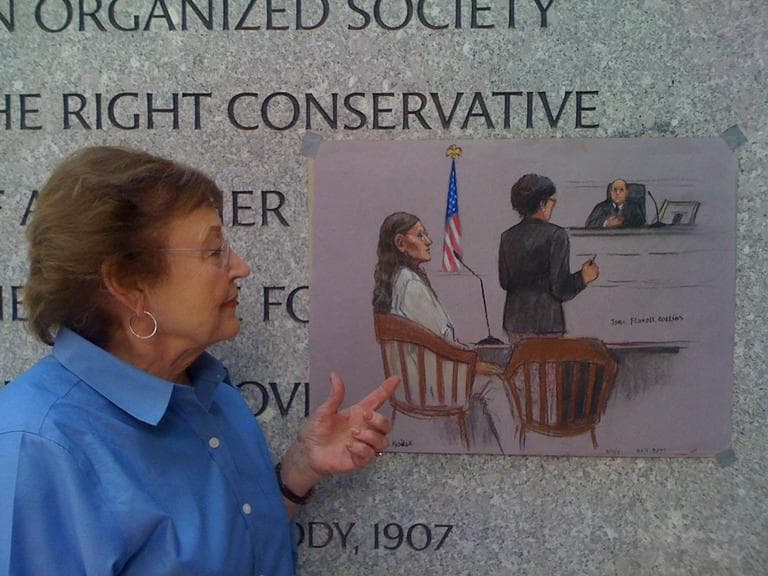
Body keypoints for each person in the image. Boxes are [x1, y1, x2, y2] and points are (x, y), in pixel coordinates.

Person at [0, 146, 399, 575]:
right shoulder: (38, 448)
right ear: (129, 284)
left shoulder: (211, 392)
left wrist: (298, 469)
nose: (241, 267)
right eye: (214, 252)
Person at [372, 212, 509, 452]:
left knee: (479, 394)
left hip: (415, 385)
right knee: (496, 385)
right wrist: (474, 362)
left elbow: (434, 340)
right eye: (420, 235)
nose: (429, 241)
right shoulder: (410, 284)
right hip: (431, 386)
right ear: (400, 243)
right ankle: (504, 455)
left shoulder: (398, 280)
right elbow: (439, 343)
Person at [498, 174, 599, 344]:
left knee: (523, 369)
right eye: (553, 201)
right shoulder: (557, 235)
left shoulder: (507, 236)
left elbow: (505, 282)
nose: (554, 206)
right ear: (542, 203)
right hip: (547, 324)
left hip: (515, 323)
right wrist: (583, 277)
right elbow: (561, 289)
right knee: (548, 370)